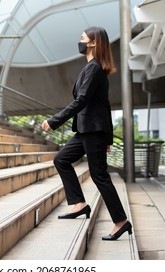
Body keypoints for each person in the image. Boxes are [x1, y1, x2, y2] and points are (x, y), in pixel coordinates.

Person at [41, 26, 132, 241]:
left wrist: (54, 121)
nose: (80, 41)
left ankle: (120, 221)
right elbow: (105, 105)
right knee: (62, 160)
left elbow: (81, 101)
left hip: (92, 130)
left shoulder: (94, 68)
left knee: (99, 175)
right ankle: (79, 204)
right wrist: (108, 138)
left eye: (82, 38)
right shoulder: (91, 68)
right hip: (86, 130)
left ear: (93, 43)